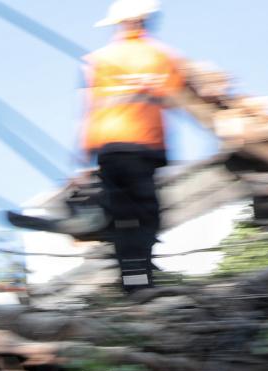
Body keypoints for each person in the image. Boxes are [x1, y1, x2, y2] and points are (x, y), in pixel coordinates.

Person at [81, 0, 186, 292]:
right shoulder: (163, 56)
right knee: (145, 217)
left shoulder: (97, 59)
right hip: (144, 146)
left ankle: (133, 282)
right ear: (144, 21)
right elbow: (175, 97)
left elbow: (88, 108)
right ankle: (141, 282)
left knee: (123, 219)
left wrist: (83, 155)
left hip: (109, 148)